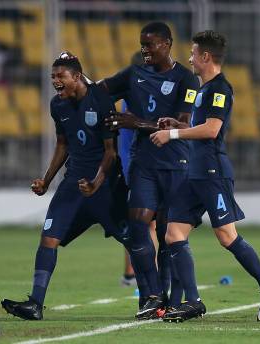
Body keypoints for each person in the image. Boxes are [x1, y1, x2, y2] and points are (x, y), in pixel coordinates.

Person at [150, 30, 260, 323]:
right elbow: (201, 127)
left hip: (213, 174)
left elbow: (211, 130)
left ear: (205, 57)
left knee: (226, 236)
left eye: (193, 53)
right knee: (173, 234)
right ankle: (193, 302)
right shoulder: (203, 90)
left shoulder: (220, 89)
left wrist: (172, 133)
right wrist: (178, 122)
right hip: (193, 173)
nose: (189, 58)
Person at [0, 52, 140, 320]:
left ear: (77, 76)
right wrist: (47, 180)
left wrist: (97, 182)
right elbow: (63, 144)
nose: (55, 81)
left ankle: (152, 300)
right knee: (48, 238)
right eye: (53, 76)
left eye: (60, 76)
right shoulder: (58, 106)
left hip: (106, 186)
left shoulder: (100, 100)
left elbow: (110, 153)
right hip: (73, 184)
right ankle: (35, 304)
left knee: (133, 241)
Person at [99, 22, 199, 319]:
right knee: (139, 225)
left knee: (169, 231)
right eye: (142, 44)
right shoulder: (133, 74)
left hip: (175, 163)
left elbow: (181, 122)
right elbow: (101, 91)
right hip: (144, 163)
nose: (144, 49)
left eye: (150, 44)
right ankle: (151, 295)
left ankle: (167, 296)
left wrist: (136, 123)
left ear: (167, 44)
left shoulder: (186, 79)